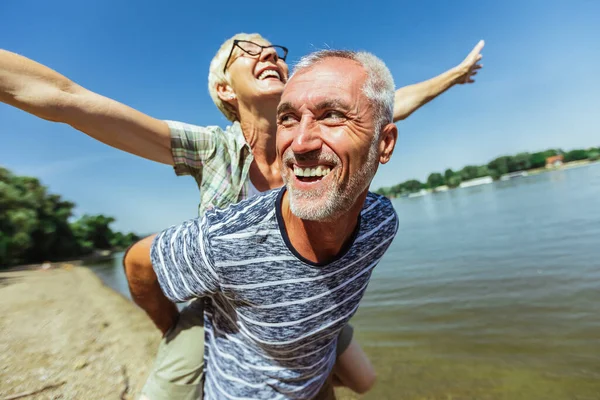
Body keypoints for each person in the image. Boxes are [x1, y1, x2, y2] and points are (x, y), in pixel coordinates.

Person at [0, 34, 484, 399]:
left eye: (275, 50)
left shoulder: (313, 135)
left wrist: (453, 76)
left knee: (363, 378)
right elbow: (72, 100)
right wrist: (171, 322)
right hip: (226, 304)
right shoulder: (209, 147)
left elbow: (383, 109)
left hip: (303, 297)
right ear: (223, 89)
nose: (269, 55)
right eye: (246, 52)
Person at [124, 48, 400, 400]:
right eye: (287, 119)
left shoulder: (381, 223)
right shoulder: (226, 233)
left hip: (312, 377)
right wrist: (171, 326)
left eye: (331, 115)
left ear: (385, 144)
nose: (300, 143)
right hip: (242, 379)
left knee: (365, 380)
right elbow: (138, 262)